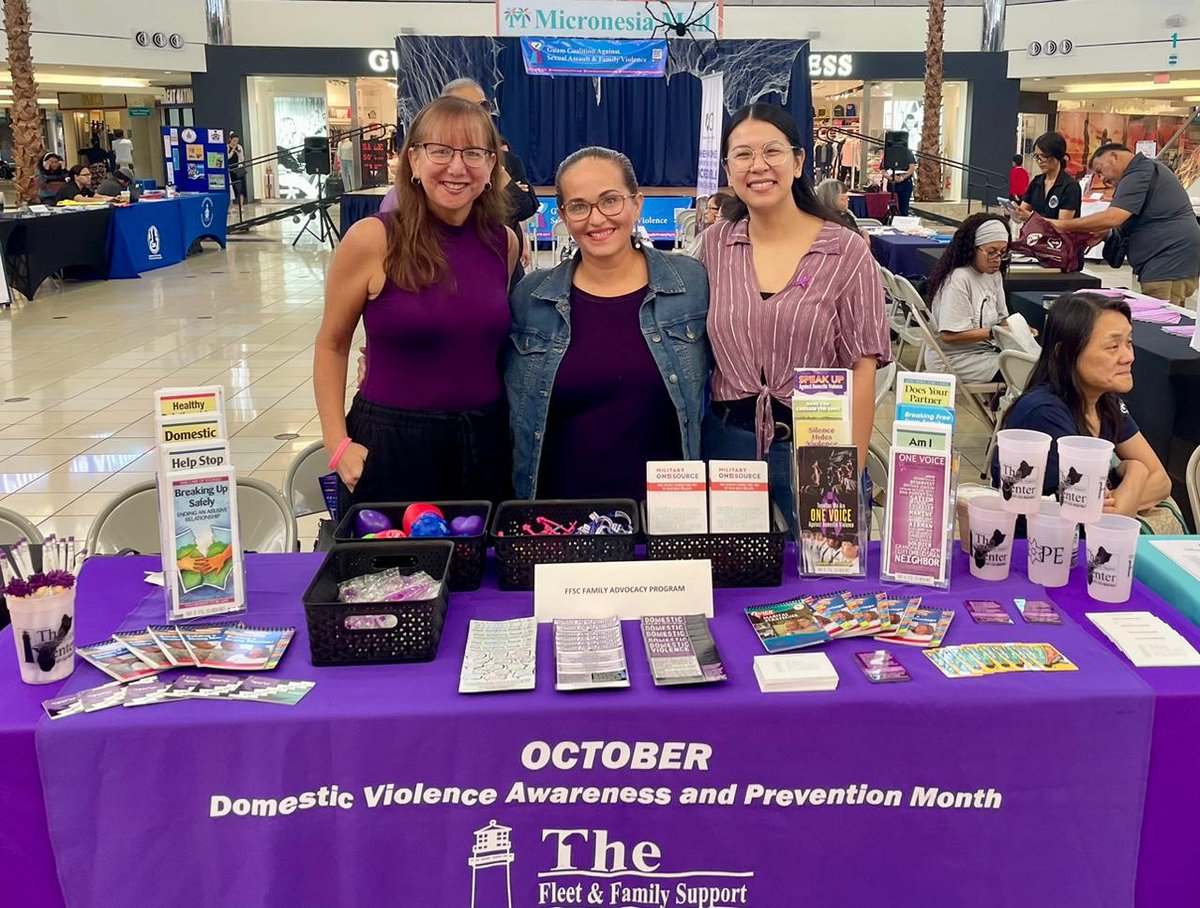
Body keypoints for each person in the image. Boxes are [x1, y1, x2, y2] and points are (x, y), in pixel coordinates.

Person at [313, 96, 519, 513]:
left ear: (492, 166)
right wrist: (337, 443)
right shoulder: (372, 239)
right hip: (393, 443)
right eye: (440, 151)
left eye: (474, 153)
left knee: (480, 573)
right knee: (393, 575)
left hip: (485, 438)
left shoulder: (505, 242)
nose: (457, 168)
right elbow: (331, 346)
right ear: (413, 161)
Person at [699, 103, 890, 525]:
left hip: (818, 445)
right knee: (732, 581)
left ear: (799, 161)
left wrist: (848, 469)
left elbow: (863, 368)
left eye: (772, 151)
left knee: (824, 581)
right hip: (728, 444)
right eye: (743, 154)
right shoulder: (714, 245)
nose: (758, 166)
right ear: (728, 169)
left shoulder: (845, 251)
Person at [506, 147, 711, 500]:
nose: (597, 218)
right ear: (565, 215)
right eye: (579, 206)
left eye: (610, 200)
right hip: (559, 518)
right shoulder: (530, 299)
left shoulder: (691, 285)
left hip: (665, 517)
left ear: (637, 203)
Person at [995, 293, 1171, 520]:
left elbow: (1162, 481)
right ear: (1064, 353)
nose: (1128, 357)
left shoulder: (1106, 402)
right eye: (1112, 346)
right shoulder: (1044, 412)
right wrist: (1136, 471)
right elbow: (1093, 517)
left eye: (1128, 342)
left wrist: (1129, 488)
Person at [1050, 143, 1200, 308]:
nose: (1103, 179)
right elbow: (1123, 220)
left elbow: (1114, 217)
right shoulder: (1143, 171)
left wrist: (1063, 225)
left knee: (1158, 315)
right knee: (1171, 313)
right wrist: (1105, 234)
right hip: (1171, 258)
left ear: (1114, 156)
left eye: (1100, 170)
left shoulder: (1139, 172)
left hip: (1167, 258)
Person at [441, 78, 539, 282]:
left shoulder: (506, 160)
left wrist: (502, 179)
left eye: (484, 106)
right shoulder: (435, 161)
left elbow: (528, 207)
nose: (479, 114)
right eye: (466, 107)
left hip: (504, 271)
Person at [922, 213, 1012, 383]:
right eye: (991, 252)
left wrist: (1020, 331)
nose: (997, 259)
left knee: (1039, 366)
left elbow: (1002, 319)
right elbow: (949, 336)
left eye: (1002, 253)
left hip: (984, 350)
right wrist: (995, 333)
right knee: (1029, 373)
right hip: (955, 359)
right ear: (972, 248)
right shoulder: (958, 278)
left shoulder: (993, 275)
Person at [1013, 132, 1080, 222]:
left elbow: (1063, 225)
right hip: (1034, 234)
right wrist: (1013, 212)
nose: (1040, 161)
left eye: (1044, 156)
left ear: (1058, 155)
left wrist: (1031, 218)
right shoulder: (1036, 182)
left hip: (1058, 236)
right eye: (1037, 156)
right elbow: (1022, 213)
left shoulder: (1070, 186)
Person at [888, 143, 917, 216]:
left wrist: (902, 178)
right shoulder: (889, 153)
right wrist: (892, 178)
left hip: (905, 183)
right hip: (892, 183)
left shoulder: (908, 153)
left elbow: (911, 168)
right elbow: (883, 170)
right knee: (891, 207)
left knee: (904, 208)